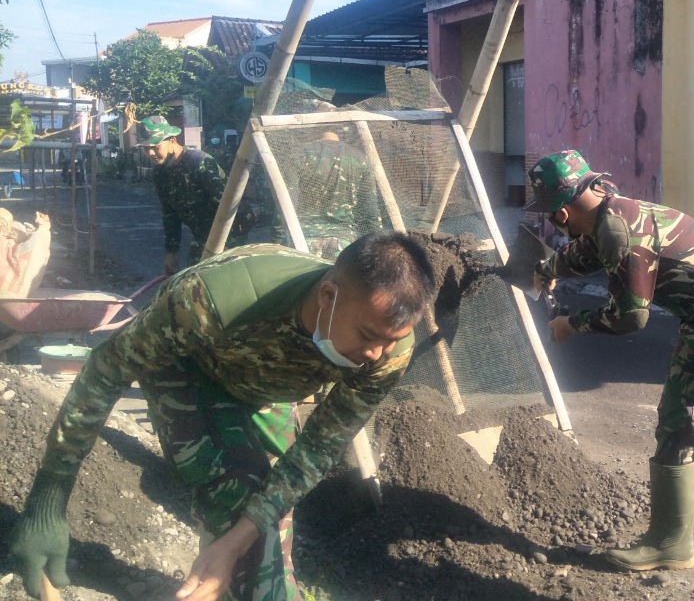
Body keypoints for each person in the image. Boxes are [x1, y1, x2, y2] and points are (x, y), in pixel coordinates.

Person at [8, 231, 436, 601]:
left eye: (389, 341)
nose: (374, 354)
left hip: (268, 385)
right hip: (192, 366)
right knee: (237, 493)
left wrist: (233, 546)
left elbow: (316, 451)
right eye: (367, 336)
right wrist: (49, 498)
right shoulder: (209, 302)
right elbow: (104, 372)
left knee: (268, 522)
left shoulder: (387, 348)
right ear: (328, 295)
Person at [526, 150, 694, 601]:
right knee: (676, 421)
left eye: (551, 217)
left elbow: (630, 318)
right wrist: (547, 269)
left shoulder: (621, 231)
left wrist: (573, 324)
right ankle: (671, 542)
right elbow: (587, 251)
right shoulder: (608, 213)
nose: (554, 225)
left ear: (561, 213)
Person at [138, 115, 237, 274]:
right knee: (193, 280)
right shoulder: (160, 172)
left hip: (230, 234)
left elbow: (228, 205)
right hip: (202, 235)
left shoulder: (198, 162)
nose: (150, 153)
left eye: (155, 146)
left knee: (223, 285)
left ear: (172, 141)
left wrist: (224, 243)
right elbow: (170, 214)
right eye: (145, 148)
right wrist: (171, 252)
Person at [280, 130, 383, 259]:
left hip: (302, 240)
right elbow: (370, 210)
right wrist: (378, 248)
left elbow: (286, 204)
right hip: (344, 242)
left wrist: (277, 241)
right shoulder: (360, 159)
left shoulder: (298, 154)